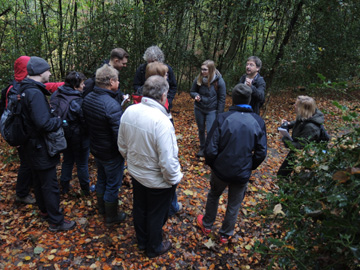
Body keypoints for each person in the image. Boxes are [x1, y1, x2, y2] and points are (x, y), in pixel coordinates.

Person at [118, 75, 183, 258]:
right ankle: (153, 247)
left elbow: (122, 145)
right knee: (156, 214)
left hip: (137, 173)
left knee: (140, 207)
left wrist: (133, 164)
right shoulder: (161, 121)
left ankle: (142, 241)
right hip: (157, 181)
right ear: (164, 95)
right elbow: (168, 161)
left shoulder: (129, 111)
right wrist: (173, 180)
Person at [196, 83, 267, 244]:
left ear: (232, 99)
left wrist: (213, 164)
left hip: (221, 170)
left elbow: (211, 148)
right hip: (242, 172)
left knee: (214, 195)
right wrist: (249, 166)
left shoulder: (223, 118)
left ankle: (207, 224)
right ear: (249, 99)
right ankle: (225, 234)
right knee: (234, 204)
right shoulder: (258, 121)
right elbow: (261, 152)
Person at [20, 56, 76, 231]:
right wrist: (59, 121)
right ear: (40, 72)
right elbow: (43, 123)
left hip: (29, 145)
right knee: (49, 183)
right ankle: (56, 221)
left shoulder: (23, 89)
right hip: (39, 146)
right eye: (48, 70)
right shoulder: (34, 94)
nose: (50, 73)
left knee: (38, 179)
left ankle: (44, 211)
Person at [0, 56, 64, 205]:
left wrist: (65, 84)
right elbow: (16, 115)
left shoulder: (24, 85)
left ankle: (29, 191)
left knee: (30, 164)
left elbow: (48, 86)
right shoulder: (16, 89)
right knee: (27, 164)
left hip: (26, 134)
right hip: (24, 135)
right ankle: (22, 193)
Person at [82, 65, 126, 226]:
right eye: (117, 79)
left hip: (97, 148)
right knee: (112, 185)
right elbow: (119, 135)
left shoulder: (88, 98)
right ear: (111, 81)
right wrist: (125, 152)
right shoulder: (110, 105)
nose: (119, 82)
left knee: (101, 179)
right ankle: (111, 216)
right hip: (110, 152)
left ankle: (102, 208)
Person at [50, 71, 90, 195]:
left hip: (62, 135)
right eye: (82, 84)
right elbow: (84, 121)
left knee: (67, 161)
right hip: (79, 138)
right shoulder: (78, 100)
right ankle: (85, 189)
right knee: (82, 164)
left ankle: (65, 187)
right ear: (75, 85)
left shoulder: (57, 94)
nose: (84, 86)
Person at [277, 95, 324, 178]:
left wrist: (285, 138)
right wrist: (289, 124)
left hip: (304, 157)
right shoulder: (306, 115)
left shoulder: (310, 128)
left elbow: (299, 146)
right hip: (297, 153)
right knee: (282, 174)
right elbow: (300, 122)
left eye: (296, 105)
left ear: (303, 108)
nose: (294, 106)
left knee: (288, 177)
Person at [190, 60, 226, 157]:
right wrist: (196, 95)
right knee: (201, 129)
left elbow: (222, 99)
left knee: (211, 130)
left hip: (212, 110)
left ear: (211, 70)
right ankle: (203, 148)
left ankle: (210, 149)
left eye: (205, 70)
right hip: (199, 108)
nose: (202, 72)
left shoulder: (219, 81)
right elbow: (192, 91)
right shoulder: (199, 79)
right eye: (201, 69)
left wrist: (219, 114)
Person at [133, 45, 177, 110]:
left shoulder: (166, 69)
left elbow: (173, 86)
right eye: (149, 61)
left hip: (163, 104)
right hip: (145, 104)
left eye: (153, 61)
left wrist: (168, 100)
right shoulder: (142, 69)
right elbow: (136, 85)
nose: (151, 64)